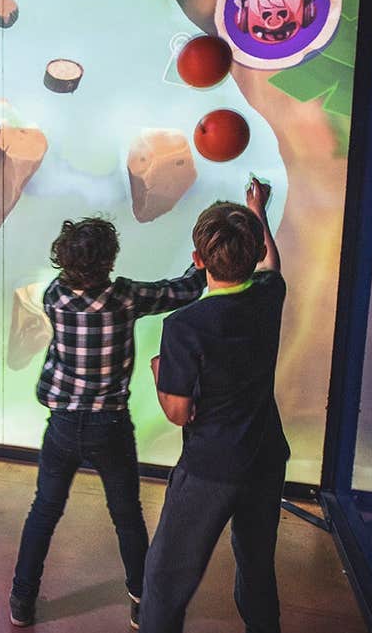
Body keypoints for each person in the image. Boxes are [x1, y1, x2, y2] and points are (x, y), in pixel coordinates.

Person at [10, 216, 207, 630]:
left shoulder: (54, 296)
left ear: (63, 260)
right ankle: (140, 601)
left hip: (62, 424)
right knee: (127, 515)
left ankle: (22, 600)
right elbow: (183, 291)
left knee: (44, 510)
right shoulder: (126, 297)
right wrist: (200, 266)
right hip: (109, 426)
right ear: (110, 259)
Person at [140, 177, 289, 633]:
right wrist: (257, 208)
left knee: (165, 581)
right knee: (257, 566)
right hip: (264, 457)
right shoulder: (269, 295)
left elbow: (178, 411)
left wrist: (158, 371)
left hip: (210, 469)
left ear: (197, 260)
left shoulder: (186, 325)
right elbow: (270, 262)